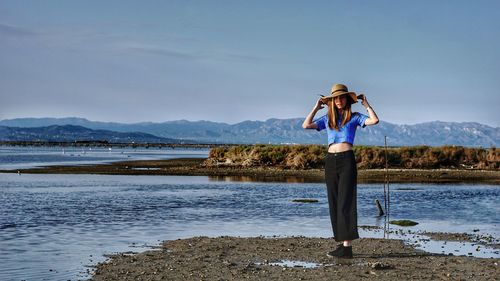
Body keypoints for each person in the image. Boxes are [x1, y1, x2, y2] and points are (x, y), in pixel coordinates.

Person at [302, 83, 379, 258]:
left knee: (346, 201)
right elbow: (306, 125)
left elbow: (374, 120)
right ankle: (341, 245)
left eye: (341, 97)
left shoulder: (354, 117)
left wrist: (366, 105)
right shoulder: (327, 119)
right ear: (331, 101)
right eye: (335, 98)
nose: (338, 101)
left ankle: (347, 247)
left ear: (347, 100)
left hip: (346, 161)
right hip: (330, 161)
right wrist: (316, 107)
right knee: (334, 201)